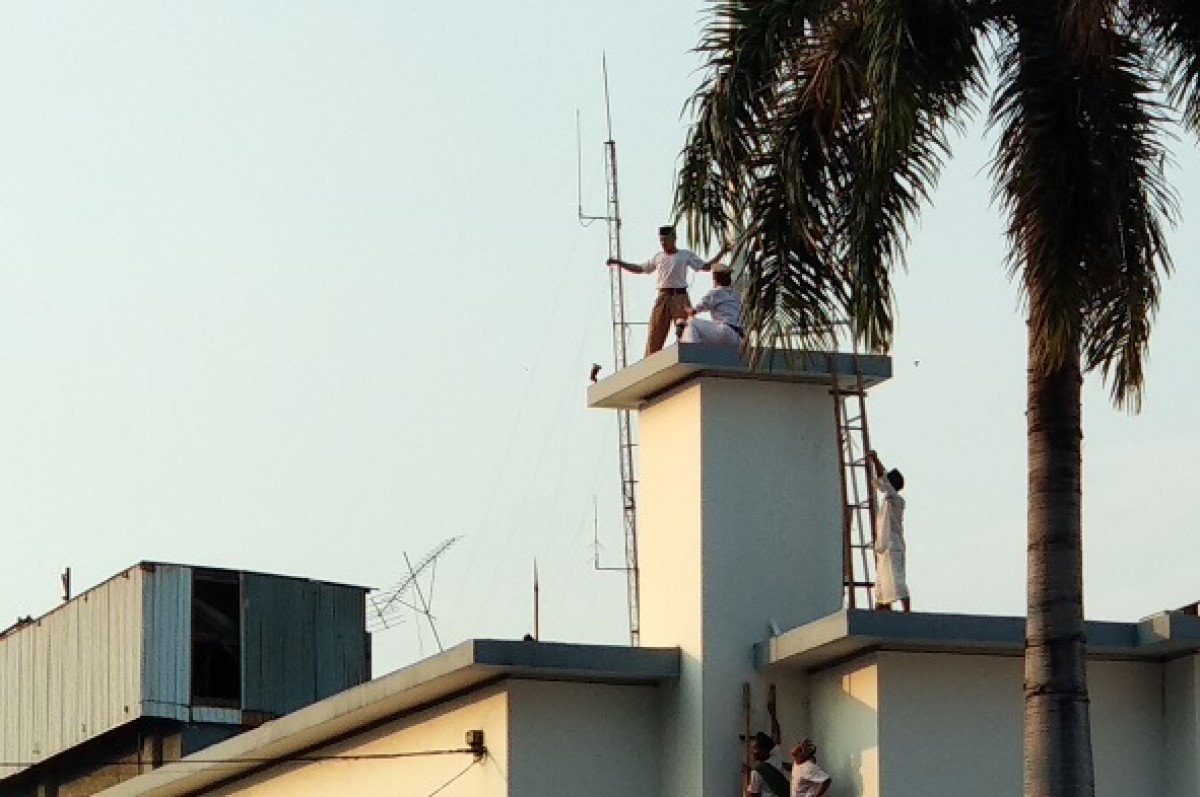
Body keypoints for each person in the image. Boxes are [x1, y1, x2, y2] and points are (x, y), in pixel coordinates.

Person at [606, 225, 727, 355]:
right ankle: (650, 364)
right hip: (663, 297)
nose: (663, 243)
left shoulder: (684, 255)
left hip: (680, 297)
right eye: (661, 240)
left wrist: (722, 252)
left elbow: (706, 266)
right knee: (654, 335)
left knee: (688, 332)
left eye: (666, 240)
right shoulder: (658, 257)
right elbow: (639, 268)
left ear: (674, 238)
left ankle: (690, 359)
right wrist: (619, 263)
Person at [869, 449, 910, 612]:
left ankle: (907, 612)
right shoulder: (888, 499)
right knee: (882, 588)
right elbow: (881, 481)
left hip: (893, 547)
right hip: (884, 547)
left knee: (897, 582)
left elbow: (883, 480)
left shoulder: (896, 500)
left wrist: (875, 460)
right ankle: (881, 613)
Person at [681, 262, 744, 346]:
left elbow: (695, 310)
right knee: (702, 338)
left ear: (715, 279)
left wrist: (687, 309)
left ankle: (691, 353)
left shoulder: (716, 292)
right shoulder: (737, 295)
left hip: (725, 332)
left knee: (691, 323)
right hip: (738, 339)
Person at [745, 689, 788, 797]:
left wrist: (746, 775)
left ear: (764, 749)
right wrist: (773, 714)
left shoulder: (757, 773)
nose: (752, 752)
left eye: (755, 748)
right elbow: (775, 734)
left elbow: (751, 795)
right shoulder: (775, 755)